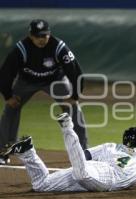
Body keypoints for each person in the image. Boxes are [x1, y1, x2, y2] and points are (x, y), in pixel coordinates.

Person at [0, 113, 136, 192]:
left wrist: (76, 167)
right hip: (105, 177)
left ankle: (28, 152)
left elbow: (83, 156)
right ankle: (67, 127)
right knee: (80, 172)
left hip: (92, 172)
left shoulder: (110, 146)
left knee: (41, 185)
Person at [0, 19, 88, 164]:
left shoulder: (58, 46)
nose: (41, 39)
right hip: (26, 82)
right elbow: (6, 73)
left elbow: (75, 71)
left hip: (55, 81)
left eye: (44, 36)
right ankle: (4, 151)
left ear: (49, 34)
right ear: (30, 36)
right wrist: (8, 96)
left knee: (73, 108)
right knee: (10, 108)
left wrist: (75, 96)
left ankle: (84, 152)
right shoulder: (22, 48)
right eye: (37, 36)